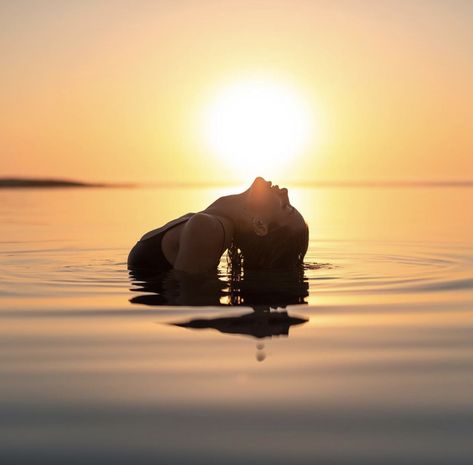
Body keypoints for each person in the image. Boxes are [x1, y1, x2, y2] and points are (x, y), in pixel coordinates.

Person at [127, 176, 309, 274]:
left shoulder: (208, 229)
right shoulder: (212, 223)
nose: (285, 192)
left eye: (286, 206)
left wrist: (241, 326)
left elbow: (192, 306)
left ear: (260, 225)